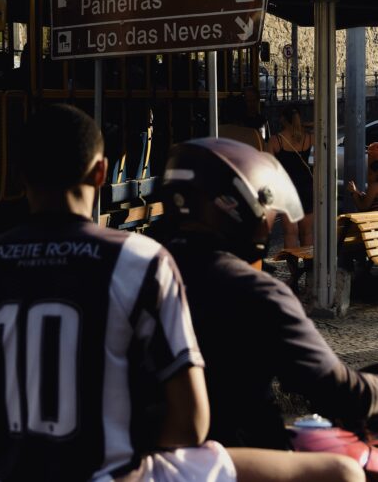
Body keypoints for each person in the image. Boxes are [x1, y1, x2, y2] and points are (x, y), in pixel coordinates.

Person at [0, 105, 362, 482]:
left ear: (21, 176)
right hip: (117, 472)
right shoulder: (139, 261)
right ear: (101, 173)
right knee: (340, 472)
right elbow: (191, 423)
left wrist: (7, 435)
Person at [161, 137, 378, 454]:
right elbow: (340, 393)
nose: (271, 217)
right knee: (348, 471)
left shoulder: (141, 270)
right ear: (241, 206)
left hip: (144, 452)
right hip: (239, 456)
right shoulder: (252, 290)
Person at [267, 104, 314, 247]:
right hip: (306, 186)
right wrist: (305, 125)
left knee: (290, 233)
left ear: (282, 119)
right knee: (307, 233)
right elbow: (323, 128)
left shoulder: (275, 140)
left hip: (286, 189)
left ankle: (292, 263)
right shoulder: (309, 138)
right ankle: (308, 261)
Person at [347, 141, 378, 211]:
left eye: (370, 173)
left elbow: (363, 207)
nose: (369, 175)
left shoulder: (375, 186)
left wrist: (353, 192)